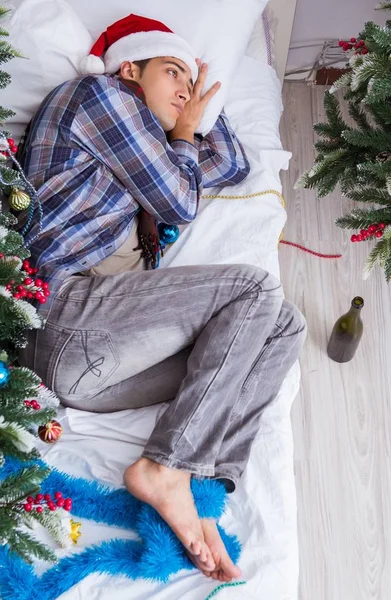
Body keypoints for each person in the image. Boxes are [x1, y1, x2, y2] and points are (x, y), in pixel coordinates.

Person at [18, 14, 307, 584]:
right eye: (172, 72)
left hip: (93, 371)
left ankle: (199, 486)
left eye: (190, 80)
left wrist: (192, 113)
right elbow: (178, 201)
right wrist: (182, 133)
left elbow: (231, 163)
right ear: (130, 68)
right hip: (62, 312)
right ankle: (167, 465)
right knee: (252, 287)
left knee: (284, 325)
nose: (184, 88)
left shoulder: (150, 148)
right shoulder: (99, 97)